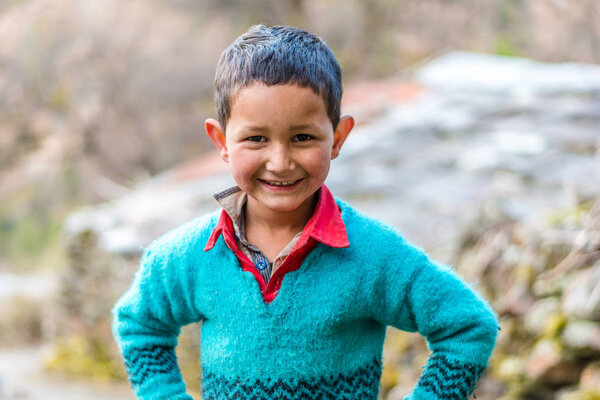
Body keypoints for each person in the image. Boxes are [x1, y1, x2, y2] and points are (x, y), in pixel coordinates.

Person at [112, 24, 499, 400]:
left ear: (338, 137)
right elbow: (140, 326)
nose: (280, 162)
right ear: (221, 140)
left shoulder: (373, 257)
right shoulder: (186, 258)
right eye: (256, 138)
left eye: (303, 137)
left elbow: (468, 327)